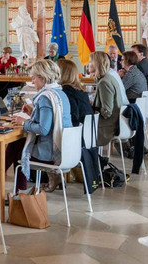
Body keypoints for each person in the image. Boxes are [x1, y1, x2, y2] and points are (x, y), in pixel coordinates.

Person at [12, 60, 73, 192]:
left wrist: (23, 122)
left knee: (17, 149)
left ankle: (18, 192)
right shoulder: (60, 93)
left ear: (43, 77)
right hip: (68, 150)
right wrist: (33, 112)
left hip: (51, 152)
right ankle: (13, 190)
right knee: (17, 146)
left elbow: (43, 129)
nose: (32, 81)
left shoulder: (45, 97)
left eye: (34, 77)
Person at [91, 51, 124, 147]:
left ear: (96, 64)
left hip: (107, 125)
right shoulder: (109, 77)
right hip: (115, 121)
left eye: (90, 61)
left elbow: (106, 112)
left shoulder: (104, 82)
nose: (88, 64)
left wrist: (94, 107)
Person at [57, 59, 91, 127]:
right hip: (87, 131)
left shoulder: (66, 91)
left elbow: (73, 116)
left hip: (74, 132)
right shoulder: (81, 90)